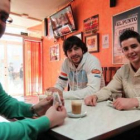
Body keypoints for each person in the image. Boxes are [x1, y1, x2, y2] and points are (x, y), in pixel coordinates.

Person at [0, 0, 67, 140]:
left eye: (3, 18)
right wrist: (46, 121)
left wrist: (34, 108)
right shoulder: (65, 64)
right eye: (69, 50)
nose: (74, 54)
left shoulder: (92, 63)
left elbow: (3, 102)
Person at [84, 30, 140, 110]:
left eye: (134, 46)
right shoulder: (123, 71)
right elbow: (109, 90)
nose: (130, 51)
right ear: (123, 51)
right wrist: (95, 96)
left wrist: (135, 101)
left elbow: (134, 102)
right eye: (126, 49)